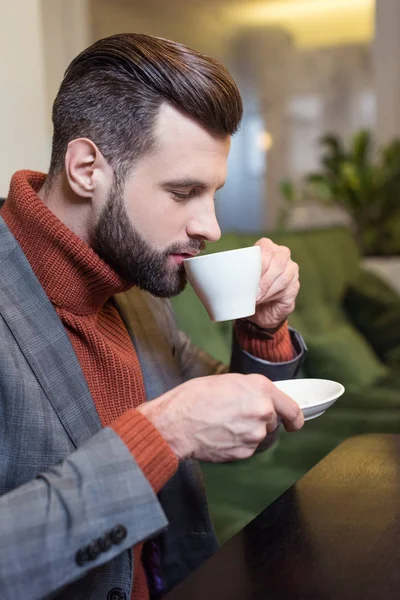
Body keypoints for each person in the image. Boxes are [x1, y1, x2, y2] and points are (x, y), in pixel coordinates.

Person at [0, 33, 306, 600]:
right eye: (182, 191)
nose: (209, 227)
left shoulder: (136, 290)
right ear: (87, 168)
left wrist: (263, 333)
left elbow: (243, 426)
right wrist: (165, 432)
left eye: (210, 192)